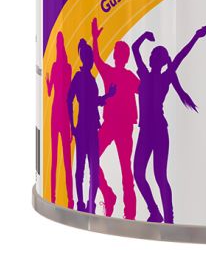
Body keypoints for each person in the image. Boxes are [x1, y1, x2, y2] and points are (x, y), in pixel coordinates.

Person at [132, 25, 206, 223]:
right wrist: (144, 35)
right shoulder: (146, 74)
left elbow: (180, 56)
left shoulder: (163, 77)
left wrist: (196, 37)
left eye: (155, 55)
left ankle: (168, 218)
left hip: (158, 130)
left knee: (159, 176)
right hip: (147, 131)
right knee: (139, 174)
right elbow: (134, 48)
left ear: (159, 61)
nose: (151, 57)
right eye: (152, 55)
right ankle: (155, 212)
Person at [91, 17, 140, 219]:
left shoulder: (128, 77)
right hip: (111, 125)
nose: (118, 56)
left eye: (120, 54)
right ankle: (109, 196)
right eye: (118, 53)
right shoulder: (113, 74)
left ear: (123, 57)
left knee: (126, 170)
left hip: (122, 126)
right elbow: (96, 59)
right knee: (95, 157)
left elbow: (145, 91)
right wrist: (94, 38)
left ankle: (130, 214)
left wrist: (95, 39)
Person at [67, 38, 115, 213]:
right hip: (84, 128)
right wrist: (72, 125)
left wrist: (108, 96)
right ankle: (81, 202)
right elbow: (70, 99)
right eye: (90, 58)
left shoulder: (90, 78)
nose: (92, 61)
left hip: (90, 128)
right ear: (85, 59)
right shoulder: (80, 77)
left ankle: (89, 203)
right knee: (82, 168)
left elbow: (93, 101)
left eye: (92, 58)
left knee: (92, 169)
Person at [46, 32, 73, 208]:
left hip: (56, 112)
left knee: (55, 158)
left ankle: (53, 195)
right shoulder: (68, 67)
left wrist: (48, 80)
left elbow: (50, 91)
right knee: (66, 158)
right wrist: (71, 124)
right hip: (63, 113)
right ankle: (69, 198)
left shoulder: (56, 67)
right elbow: (69, 95)